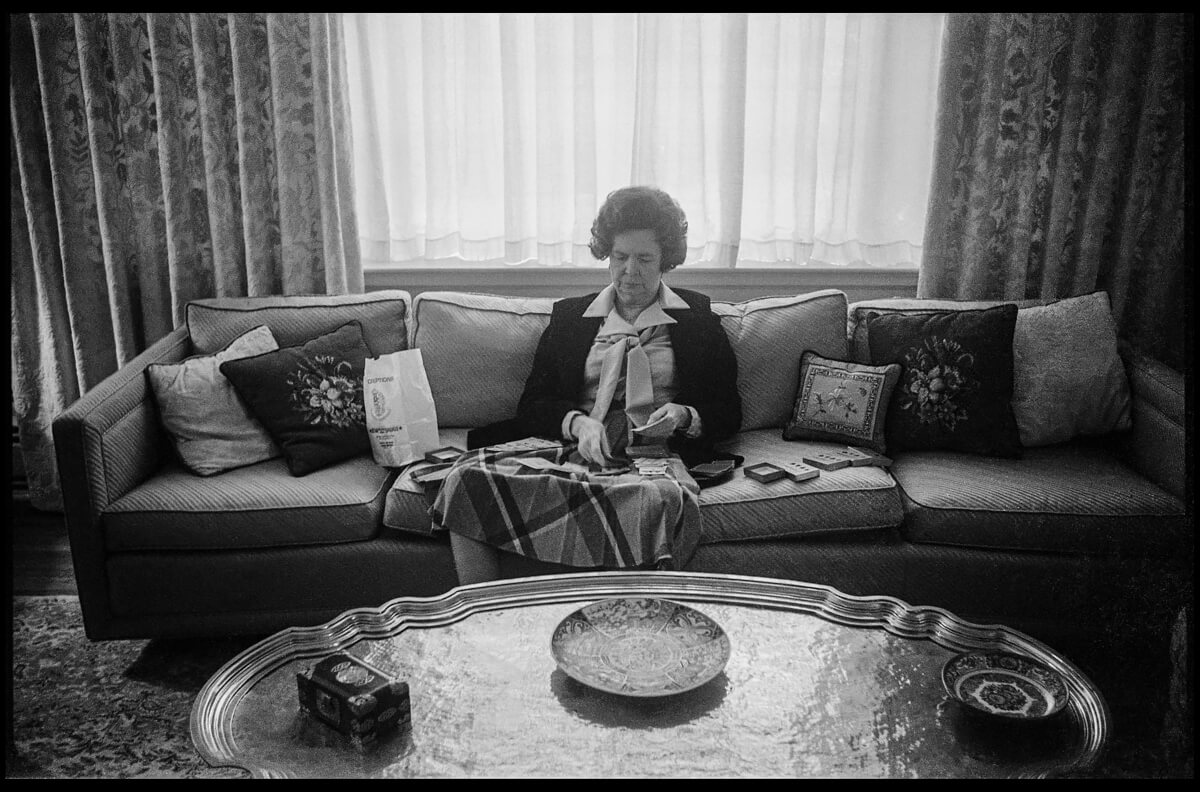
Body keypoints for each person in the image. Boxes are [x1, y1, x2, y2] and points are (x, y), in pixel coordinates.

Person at [449, 185, 742, 582]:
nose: (630, 271)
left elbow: (728, 410)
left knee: (661, 501)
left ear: (666, 262)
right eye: (620, 257)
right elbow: (534, 404)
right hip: (571, 449)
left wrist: (683, 414)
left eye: (644, 259)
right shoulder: (571, 318)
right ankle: (485, 616)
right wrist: (578, 423)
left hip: (653, 459)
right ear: (606, 254)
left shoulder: (698, 320)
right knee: (466, 479)